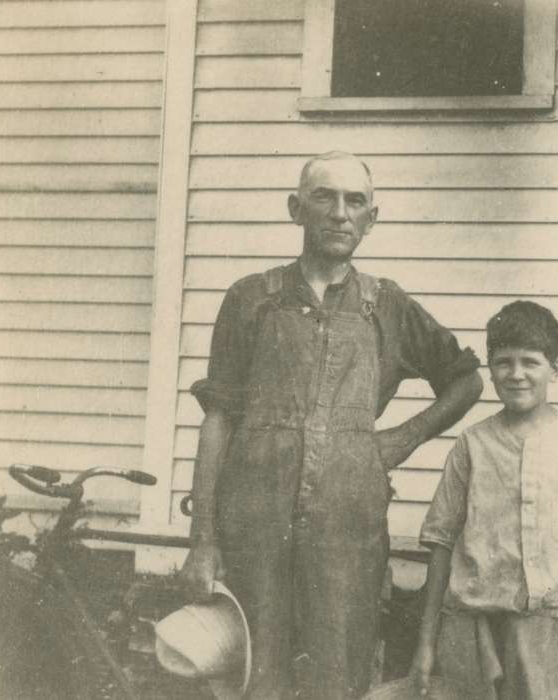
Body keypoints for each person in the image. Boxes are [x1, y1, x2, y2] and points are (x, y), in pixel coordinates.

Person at [179, 151, 484, 699]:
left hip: (347, 541)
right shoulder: (250, 298)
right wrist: (202, 540)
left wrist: (399, 439)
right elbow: (218, 420)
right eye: (325, 197)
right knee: (251, 681)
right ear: (296, 209)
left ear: (373, 217)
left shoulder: (386, 305)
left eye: (356, 201)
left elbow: (465, 380)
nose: (341, 213)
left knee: (336, 683)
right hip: (254, 535)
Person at [408, 301, 558, 699]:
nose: (517, 374)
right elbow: (440, 542)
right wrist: (426, 643)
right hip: (472, 628)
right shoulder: (471, 445)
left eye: (531, 362)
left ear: (555, 368)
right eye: (504, 362)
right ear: (490, 369)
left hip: (551, 630)